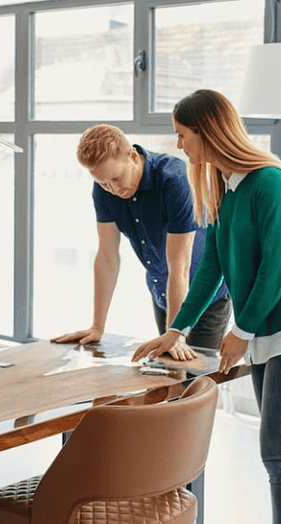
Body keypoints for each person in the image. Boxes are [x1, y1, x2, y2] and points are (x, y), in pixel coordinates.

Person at [132, 89, 281, 524]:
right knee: (276, 457)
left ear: (208, 132)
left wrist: (240, 331)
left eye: (184, 136)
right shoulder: (229, 189)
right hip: (269, 332)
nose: (180, 146)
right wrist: (177, 328)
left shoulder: (270, 183)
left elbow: (276, 268)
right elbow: (214, 269)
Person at [52, 124, 231, 358]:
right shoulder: (104, 190)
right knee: (169, 378)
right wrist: (97, 326)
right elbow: (107, 257)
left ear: (133, 156)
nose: (112, 189)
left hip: (205, 297)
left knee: (197, 382)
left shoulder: (174, 180)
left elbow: (181, 267)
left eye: (116, 178)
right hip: (163, 293)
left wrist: (175, 333)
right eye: (103, 182)